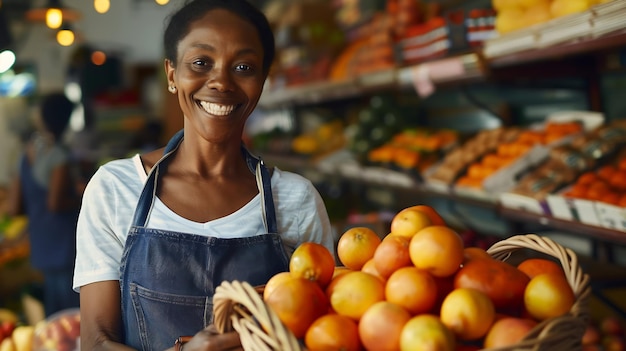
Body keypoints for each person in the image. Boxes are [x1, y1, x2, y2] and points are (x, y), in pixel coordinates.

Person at [72, 1, 336, 350]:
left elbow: (322, 335)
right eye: (201, 63)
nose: (221, 82)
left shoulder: (296, 200)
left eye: (243, 66)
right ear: (171, 74)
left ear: (262, 82)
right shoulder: (116, 189)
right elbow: (96, 342)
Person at [7, 92, 81, 317]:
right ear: (66, 120)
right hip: (62, 244)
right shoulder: (58, 155)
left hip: (42, 244)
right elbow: (56, 203)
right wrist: (83, 197)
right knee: (71, 315)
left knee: (54, 314)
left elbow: (14, 207)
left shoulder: (27, 154)